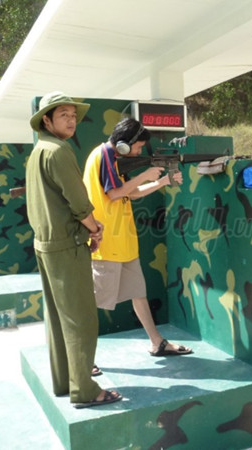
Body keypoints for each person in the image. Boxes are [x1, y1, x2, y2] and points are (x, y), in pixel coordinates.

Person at [25, 91, 121, 409]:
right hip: (67, 246)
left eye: (73, 115)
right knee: (81, 319)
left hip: (46, 245)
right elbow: (78, 202)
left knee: (58, 318)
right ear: (46, 120)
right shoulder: (59, 151)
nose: (71, 120)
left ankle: (65, 381)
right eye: (63, 115)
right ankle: (85, 389)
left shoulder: (38, 151)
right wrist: (94, 228)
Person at [83, 117, 194, 357]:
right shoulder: (103, 155)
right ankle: (81, 358)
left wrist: (162, 181)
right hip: (107, 244)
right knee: (90, 305)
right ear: (125, 144)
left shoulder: (112, 158)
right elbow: (114, 194)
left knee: (138, 294)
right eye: (139, 147)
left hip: (123, 243)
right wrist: (146, 175)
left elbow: (130, 193)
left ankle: (157, 343)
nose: (139, 151)